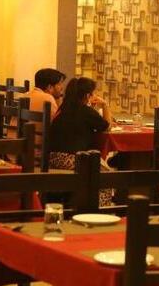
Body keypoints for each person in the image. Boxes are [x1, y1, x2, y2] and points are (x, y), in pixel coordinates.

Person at [47, 77, 113, 205]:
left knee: (97, 165)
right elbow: (107, 126)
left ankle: (81, 201)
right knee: (106, 175)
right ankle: (97, 208)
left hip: (52, 157)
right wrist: (105, 105)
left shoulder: (62, 108)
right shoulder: (84, 110)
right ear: (87, 95)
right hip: (71, 159)